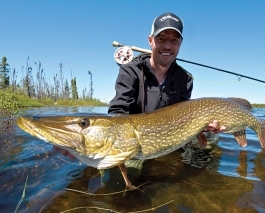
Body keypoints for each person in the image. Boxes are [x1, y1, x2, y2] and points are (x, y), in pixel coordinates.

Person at [55, 12, 223, 161]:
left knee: (210, 139)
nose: (167, 46)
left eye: (174, 40)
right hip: (134, 142)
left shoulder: (185, 79)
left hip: (171, 136)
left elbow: (184, 115)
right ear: (150, 41)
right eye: (161, 39)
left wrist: (204, 126)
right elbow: (118, 113)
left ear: (180, 44)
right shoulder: (130, 71)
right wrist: (87, 139)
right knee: (118, 182)